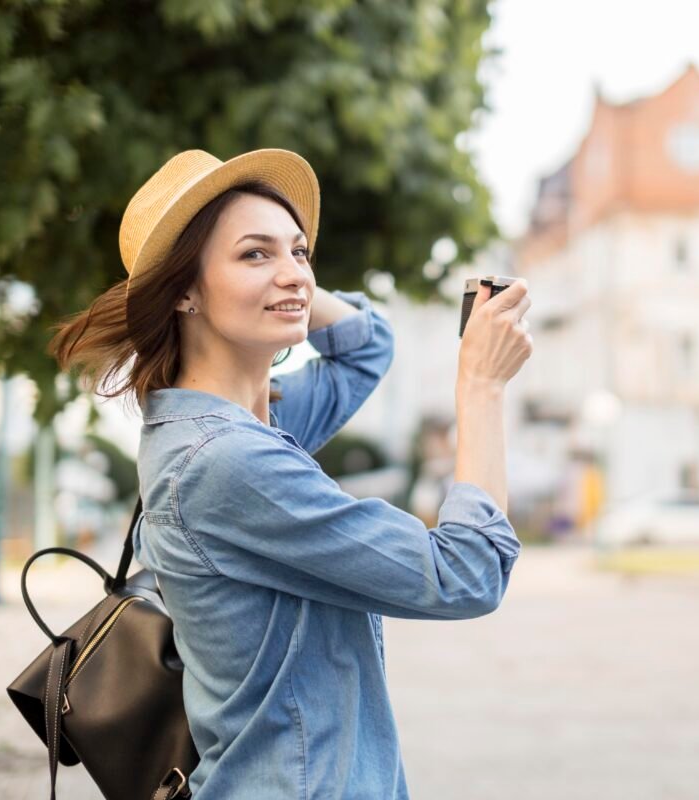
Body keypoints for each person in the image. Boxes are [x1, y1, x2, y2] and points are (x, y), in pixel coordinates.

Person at [49, 148, 534, 799]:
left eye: (301, 252)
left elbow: (366, 347)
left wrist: (283, 279)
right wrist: (481, 388)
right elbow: (466, 573)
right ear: (184, 289)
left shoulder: (240, 428)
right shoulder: (229, 462)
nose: (296, 275)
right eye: (254, 254)